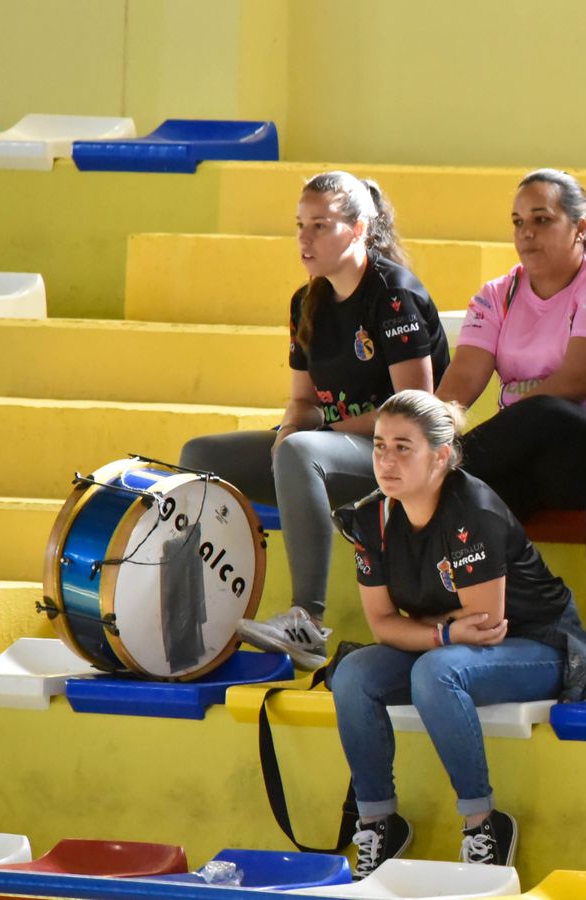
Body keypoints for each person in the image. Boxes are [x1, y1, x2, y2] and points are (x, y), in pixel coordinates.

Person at [329, 390, 586, 877]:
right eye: (380, 446)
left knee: (436, 673)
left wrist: (427, 633)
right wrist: (444, 633)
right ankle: (378, 822)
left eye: (403, 447)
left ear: (440, 456)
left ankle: (483, 825)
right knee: (354, 674)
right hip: (453, 649)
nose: (386, 460)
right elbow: (381, 624)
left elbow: (484, 623)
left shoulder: (472, 509)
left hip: (542, 646)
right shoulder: (370, 519)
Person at [180, 171, 450, 669]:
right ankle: (199, 615)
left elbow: (412, 409)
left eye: (320, 226)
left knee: (302, 451)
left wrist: (312, 437)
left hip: (402, 456)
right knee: (200, 455)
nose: (305, 238)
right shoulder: (306, 302)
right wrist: (288, 431)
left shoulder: (393, 293)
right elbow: (304, 401)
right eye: (300, 225)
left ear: (358, 229)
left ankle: (306, 621)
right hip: (333, 448)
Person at [437, 169, 586, 520]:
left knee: (544, 411)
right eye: (518, 222)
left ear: (580, 228)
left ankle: (436, 470)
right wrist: (426, 432)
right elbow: (463, 377)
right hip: (538, 457)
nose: (526, 232)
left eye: (541, 220)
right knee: (475, 497)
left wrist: (448, 454)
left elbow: (576, 381)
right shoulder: (497, 294)